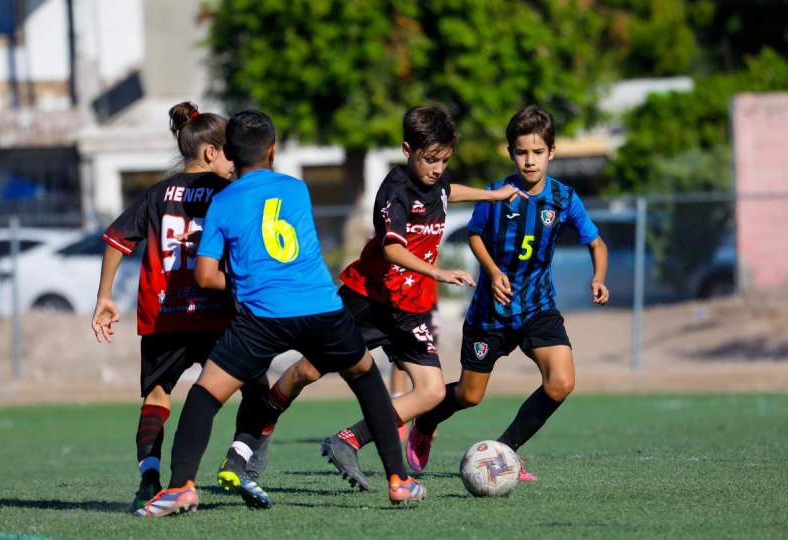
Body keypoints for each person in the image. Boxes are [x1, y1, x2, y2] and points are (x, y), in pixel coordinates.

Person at [135, 110, 425, 517]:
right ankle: (399, 480)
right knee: (363, 374)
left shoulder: (223, 201)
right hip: (321, 307)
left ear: (230, 155)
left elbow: (204, 275)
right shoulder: (298, 189)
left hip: (262, 316)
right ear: (272, 150)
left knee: (203, 395)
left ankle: (181, 486)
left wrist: (238, 283)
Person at [246, 105, 525, 491]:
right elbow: (393, 250)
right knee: (308, 371)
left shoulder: (436, 181)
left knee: (430, 392)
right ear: (407, 148)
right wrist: (438, 272)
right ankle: (262, 425)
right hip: (368, 301)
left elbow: (448, 192)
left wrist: (494, 195)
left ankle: (349, 440)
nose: (438, 168)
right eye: (430, 160)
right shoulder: (393, 192)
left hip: (410, 309)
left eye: (444, 160)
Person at [409, 105, 610, 479]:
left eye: (537, 152)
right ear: (511, 153)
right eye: (521, 152)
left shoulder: (564, 199)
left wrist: (599, 277)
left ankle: (505, 452)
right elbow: (473, 234)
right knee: (470, 395)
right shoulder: (497, 194)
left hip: (537, 307)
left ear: (551, 152)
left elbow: (597, 244)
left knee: (562, 382)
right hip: (491, 312)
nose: (529, 161)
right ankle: (426, 423)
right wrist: (493, 270)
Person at [92, 102, 272, 512]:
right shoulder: (231, 191)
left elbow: (117, 240)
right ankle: (237, 462)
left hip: (164, 314)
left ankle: (150, 478)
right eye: (230, 150)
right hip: (217, 314)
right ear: (211, 152)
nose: (235, 158)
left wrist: (104, 297)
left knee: (157, 395)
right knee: (259, 391)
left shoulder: (157, 193)